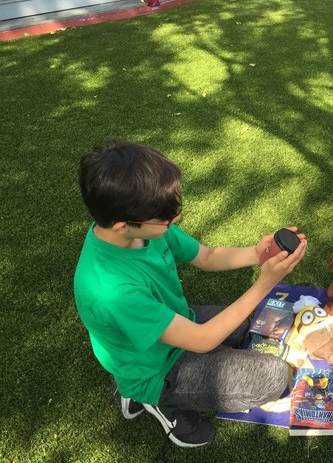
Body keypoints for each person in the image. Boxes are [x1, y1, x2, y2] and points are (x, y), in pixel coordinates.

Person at [74, 142, 307, 447]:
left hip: (175, 323)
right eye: (167, 220)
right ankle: (153, 398)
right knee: (275, 376)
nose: (175, 221)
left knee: (241, 326)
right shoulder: (110, 290)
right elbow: (201, 340)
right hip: (156, 370)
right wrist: (264, 284)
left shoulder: (141, 221)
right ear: (123, 226)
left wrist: (257, 254)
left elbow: (206, 256)